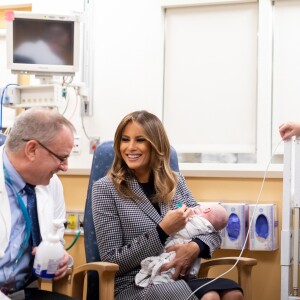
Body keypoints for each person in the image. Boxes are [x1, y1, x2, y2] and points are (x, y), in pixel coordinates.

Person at [91, 110, 243, 300]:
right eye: (125, 139)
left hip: (179, 277)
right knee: (209, 296)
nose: (130, 147)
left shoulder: (175, 182)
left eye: (140, 140)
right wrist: (162, 231)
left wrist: (195, 247)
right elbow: (113, 260)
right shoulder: (106, 189)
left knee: (233, 294)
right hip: (135, 284)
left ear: (156, 144)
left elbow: (210, 229)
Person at [0, 107, 75, 300]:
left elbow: (56, 238)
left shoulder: (51, 184)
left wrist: (60, 259)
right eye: (62, 157)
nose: (65, 167)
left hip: (22, 292)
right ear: (32, 149)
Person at [135, 203, 228, 287]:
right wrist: (164, 229)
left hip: (179, 256)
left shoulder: (197, 219)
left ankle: (159, 281)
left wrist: (196, 245)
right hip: (131, 274)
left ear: (206, 210)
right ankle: (159, 282)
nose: (195, 207)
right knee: (212, 294)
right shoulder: (208, 226)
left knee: (230, 291)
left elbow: (216, 237)